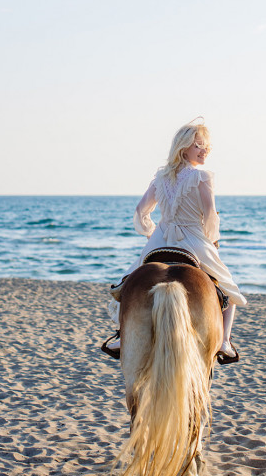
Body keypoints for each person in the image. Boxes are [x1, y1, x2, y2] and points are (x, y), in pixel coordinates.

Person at [104, 120, 246, 360]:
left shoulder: (160, 178)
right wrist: (211, 239)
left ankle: (122, 335)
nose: (204, 151)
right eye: (199, 145)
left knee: (126, 286)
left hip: (160, 239)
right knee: (229, 290)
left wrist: (151, 232)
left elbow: (140, 211)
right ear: (184, 147)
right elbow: (211, 214)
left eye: (206, 147)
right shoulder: (202, 177)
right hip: (192, 238)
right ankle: (224, 343)